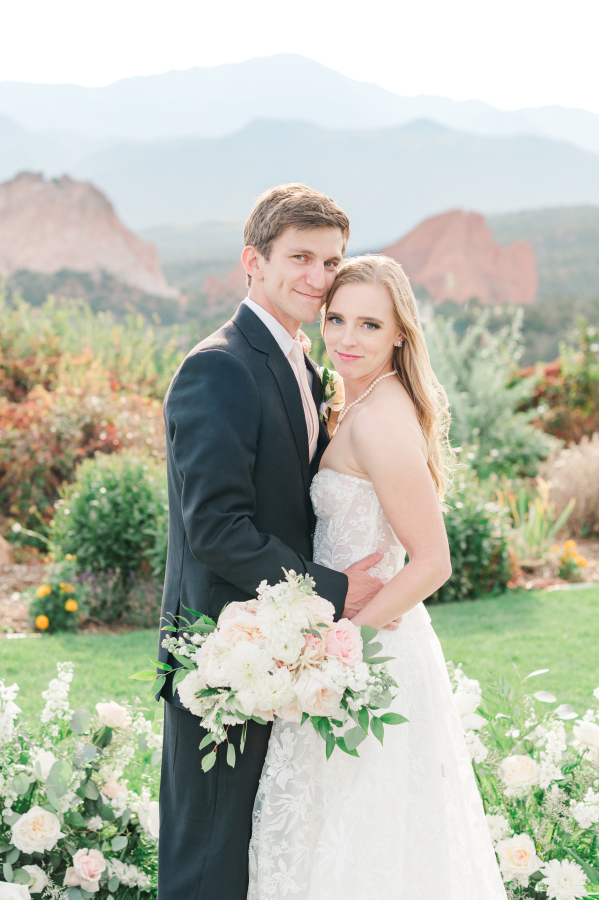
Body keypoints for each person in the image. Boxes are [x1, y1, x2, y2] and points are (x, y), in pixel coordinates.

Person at [157, 185, 395, 900]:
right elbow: (217, 529)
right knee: (211, 854)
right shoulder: (219, 367)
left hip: (285, 653)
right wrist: (335, 590)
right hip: (223, 659)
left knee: (267, 850)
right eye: (300, 257)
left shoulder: (304, 363)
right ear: (251, 262)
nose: (318, 278)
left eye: (330, 261)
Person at [248, 255, 507, 899]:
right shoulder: (353, 400)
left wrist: (343, 642)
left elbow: (433, 561)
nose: (346, 338)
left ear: (399, 335)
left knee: (370, 848)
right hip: (343, 649)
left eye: (369, 325)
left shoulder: (385, 415)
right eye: (336, 319)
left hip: (370, 655)